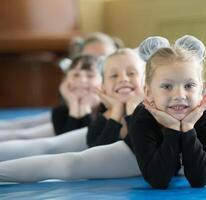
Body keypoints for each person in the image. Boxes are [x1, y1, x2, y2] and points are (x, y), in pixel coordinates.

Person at [0, 36, 206, 186]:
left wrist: (186, 129)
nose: (179, 95)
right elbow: (157, 176)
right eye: (167, 87)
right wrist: (171, 129)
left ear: (202, 89)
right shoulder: (142, 116)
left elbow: (199, 175)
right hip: (139, 156)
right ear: (149, 93)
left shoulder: (205, 116)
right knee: (70, 164)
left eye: (188, 86)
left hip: (194, 152)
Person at [0, 48, 145, 162]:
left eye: (89, 75)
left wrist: (85, 109)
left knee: (35, 139)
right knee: (24, 131)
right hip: (78, 135)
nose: (82, 80)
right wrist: (75, 105)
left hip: (89, 147)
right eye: (76, 75)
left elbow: (78, 147)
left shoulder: (107, 104)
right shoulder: (64, 111)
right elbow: (72, 142)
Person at [0, 32, 118, 131]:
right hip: (70, 119)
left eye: (103, 58)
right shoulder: (76, 82)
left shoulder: (115, 92)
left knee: (30, 135)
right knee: (24, 126)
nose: (94, 63)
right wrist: (74, 102)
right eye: (88, 58)